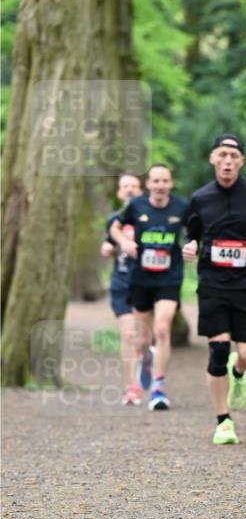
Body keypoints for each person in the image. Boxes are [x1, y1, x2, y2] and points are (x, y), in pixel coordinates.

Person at [183, 134, 246, 445]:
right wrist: (190, 246)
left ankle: (239, 373)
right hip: (213, 284)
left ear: (241, 162)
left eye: (234, 156)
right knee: (218, 352)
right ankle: (223, 421)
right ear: (213, 158)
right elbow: (192, 236)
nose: (227, 161)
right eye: (222, 155)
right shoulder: (200, 198)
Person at [110, 164, 188, 411]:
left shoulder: (182, 207)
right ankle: (145, 358)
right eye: (156, 181)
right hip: (141, 277)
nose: (160, 186)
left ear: (171, 183)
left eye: (165, 181)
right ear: (148, 185)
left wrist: (191, 245)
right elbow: (114, 226)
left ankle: (158, 387)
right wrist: (123, 242)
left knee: (162, 327)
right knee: (142, 338)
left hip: (169, 277)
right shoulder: (136, 206)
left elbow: (195, 231)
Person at [100, 173, 143, 405]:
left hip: (147, 283)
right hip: (121, 283)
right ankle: (131, 387)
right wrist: (107, 248)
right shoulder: (114, 220)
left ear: (140, 191)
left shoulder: (149, 218)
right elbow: (108, 241)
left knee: (145, 336)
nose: (129, 190)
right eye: (125, 186)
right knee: (128, 334)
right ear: (119, 192)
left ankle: (148, 364)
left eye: (134, 186)